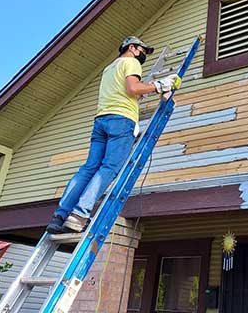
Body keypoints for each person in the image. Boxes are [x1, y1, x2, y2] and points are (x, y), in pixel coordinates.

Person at [46, 36, 180, 233]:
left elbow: (128, 91)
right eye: (143, 50)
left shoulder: (109, 68)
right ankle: (79, 215)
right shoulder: (131, 62)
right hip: (121, 120)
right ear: (132, 48)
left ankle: (60, 215)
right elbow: (133, 88)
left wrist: (145, 90)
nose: (144, 55)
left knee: (89, 168)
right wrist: (160, 85)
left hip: (101, 120)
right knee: (109, 167)